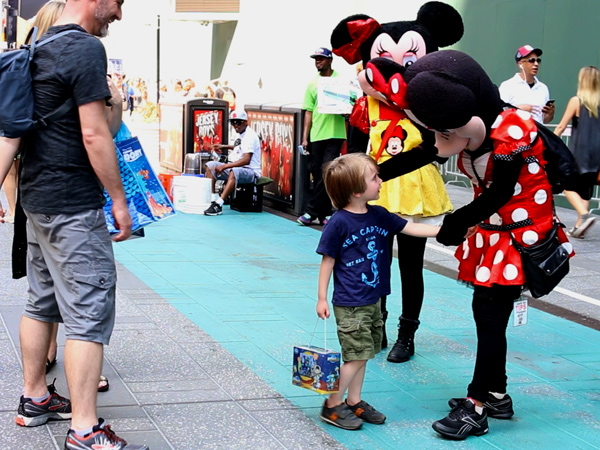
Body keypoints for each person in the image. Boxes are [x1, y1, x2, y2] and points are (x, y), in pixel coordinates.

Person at [387, 50, 574, 440]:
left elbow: (501, 192)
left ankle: (476, 407)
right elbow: (426, 153)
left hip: (520, 236)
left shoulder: (512, 130)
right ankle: (497, 395)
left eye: (444, 132)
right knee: (486, 313)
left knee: (490, 316)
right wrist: (369, 171)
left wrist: (457, 221)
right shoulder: (467, 130)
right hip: (495, 233)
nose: (439, 140)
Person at [0, 0, 150, 448]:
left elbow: (19, 129)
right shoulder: (85, 49)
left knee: (40, 301)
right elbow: (93, 132)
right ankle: (86, 429)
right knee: (87, 312)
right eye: (118, 3)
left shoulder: (39, 43)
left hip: (37, 199)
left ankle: (34, 398)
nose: (119, 15)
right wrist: (119, 201)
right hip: (72, 204)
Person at [316, 153, 442, 430]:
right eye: (374, 178)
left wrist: (444, 231)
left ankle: (354, 401)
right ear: (357, 190)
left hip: (372, 299)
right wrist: (322, 297)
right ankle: (332, 404)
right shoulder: (338, 223)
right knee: (358, 353)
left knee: (365, 351)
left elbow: (411, 227)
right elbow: (328, 260)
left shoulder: (379, 215)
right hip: (349, 303)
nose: (381, 181)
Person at [297, 47, 347, 227]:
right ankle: (325, 213)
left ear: (330, 60)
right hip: (317, 134)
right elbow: (308, 112)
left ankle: (311, 211)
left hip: (336, 133)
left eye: (321, 58)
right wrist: (305, 137)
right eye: (316, 59)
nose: (318, 61)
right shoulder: (312, 84)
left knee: (327, 171)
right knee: (318, 173)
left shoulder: (341, 80)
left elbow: (350, 103)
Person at [554, 65, 600, 238]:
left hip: (580, 151)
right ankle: (580, 227)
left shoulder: (577, 101)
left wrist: (550, 142)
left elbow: (561, 126)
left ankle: (584, 213)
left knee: (566, 184)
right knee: (585, 187)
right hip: (597, 153)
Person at [203, 110, 261, 216]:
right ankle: (213, 199)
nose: (235, 125)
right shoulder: (241, 133)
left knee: (234, 171)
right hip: (237, 167)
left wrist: (225, 166)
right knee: (210, 165)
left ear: (245, 122)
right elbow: (240, 147)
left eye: (238, 122)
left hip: (251, 171)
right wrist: (223, 146)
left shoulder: (250, 136)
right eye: (232, 122)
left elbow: (246, 159)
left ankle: (218, 204)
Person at [498, 44, 555, 124]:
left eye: (538, 60)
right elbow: (499, 114)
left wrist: (550, 114)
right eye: (531, 60)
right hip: (515, 134)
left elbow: (543, 120)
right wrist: (517, 110)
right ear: (520, 64)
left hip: (537, 134)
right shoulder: (507, 86)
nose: (536, 64)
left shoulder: (543, 88)